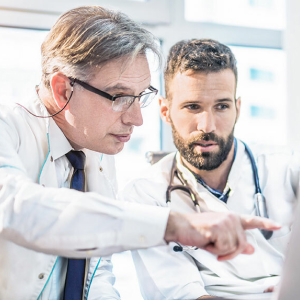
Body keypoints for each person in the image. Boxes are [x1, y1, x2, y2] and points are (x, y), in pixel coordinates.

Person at [0, 7, 280, 299]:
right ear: (62, 89)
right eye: (120, 97)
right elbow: (20, 209)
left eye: (140, 97)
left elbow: (96, 272)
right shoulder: (7, 130)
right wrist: (173, 225)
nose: (136, 119)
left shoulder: (96, 148)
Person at [122, 39, 299, 299]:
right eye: (193, 106)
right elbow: (185, 295)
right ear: (165, 110)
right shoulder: (146, 195)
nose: (207, 126)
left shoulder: (286, 169)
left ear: (237, 109)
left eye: (222, 106)